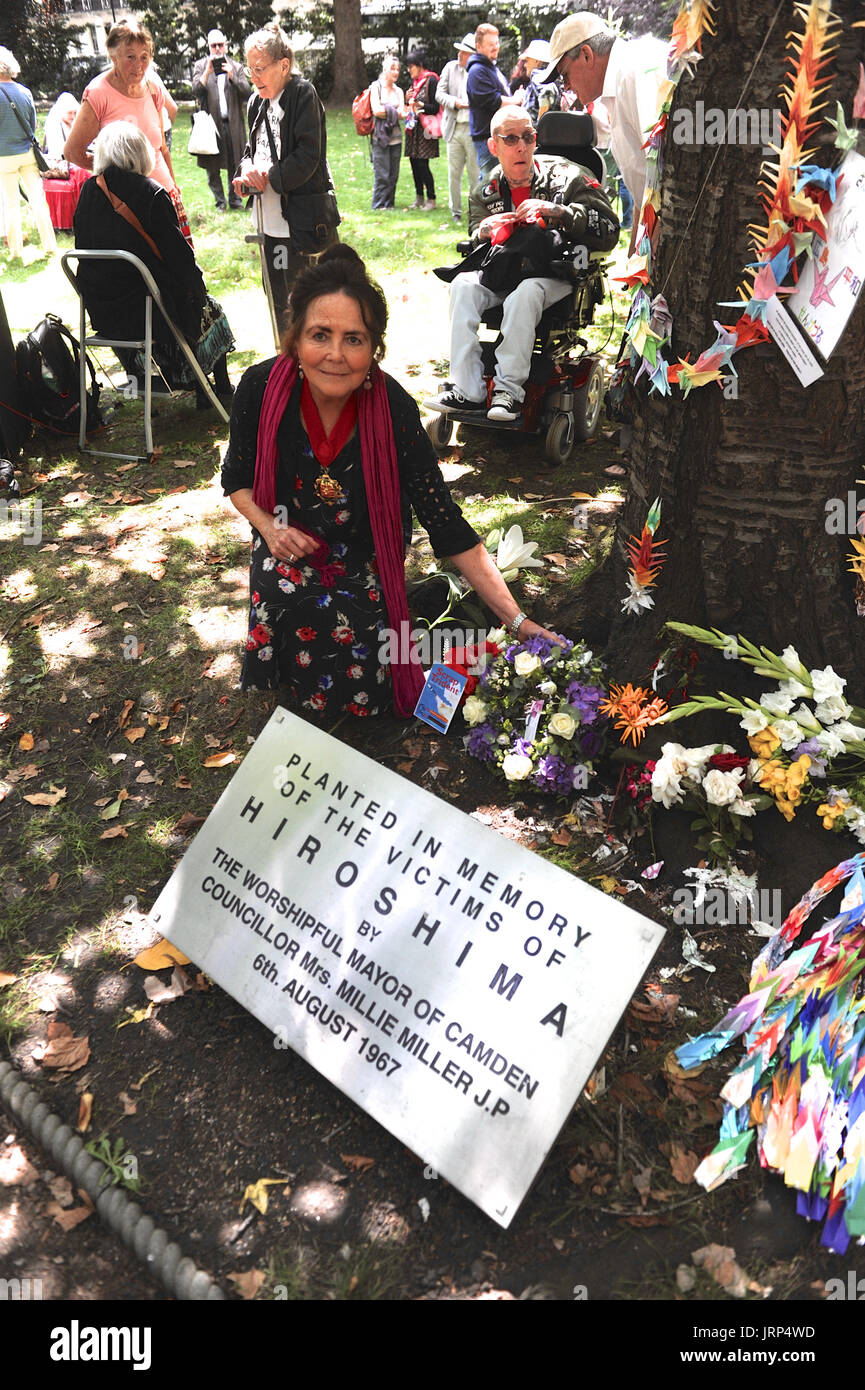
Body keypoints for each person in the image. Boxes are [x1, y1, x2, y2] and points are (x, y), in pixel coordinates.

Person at [221, 244, 562, 716]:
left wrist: (519, 621)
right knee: (290, 602)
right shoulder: (259, 389)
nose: (336, 355)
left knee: (373, 678)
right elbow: (234, 479)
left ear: (374, 347)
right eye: (320, 335)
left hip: (364, 561)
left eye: (354, 339)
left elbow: (444, 522)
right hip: (288, 556)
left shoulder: (394, 412)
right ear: (295, 338)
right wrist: (269, 528)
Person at [425, 106, 619, 422]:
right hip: (504, 270)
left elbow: (610, 231)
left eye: (528, 137)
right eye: (511, 139)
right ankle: (468, 391)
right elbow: (476, 239)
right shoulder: (486, 192)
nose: (521, 147)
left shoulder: (570, 177)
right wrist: (484, 231)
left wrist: (562, 213)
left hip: (556, 271)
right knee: (462, 285)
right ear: (494, 146)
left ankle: (508, 393)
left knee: (526, 293)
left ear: (535, 141)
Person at [73, 121, 234, 406]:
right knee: (210, 307)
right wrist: (197, 287)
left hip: (103, 310)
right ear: (140, 152)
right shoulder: (151, 192)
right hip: (150, 311)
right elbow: (180, 259)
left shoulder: (87, 192)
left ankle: (172, 381)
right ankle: (213, 387)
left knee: (181, 298)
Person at [232, 21, 340, 334]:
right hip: (266, 220)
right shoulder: (255, 102)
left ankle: (310, 365)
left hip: (300, 221)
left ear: (283, 65)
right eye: (249, 69)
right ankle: (288, 366)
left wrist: (267, 174)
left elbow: (309, 157)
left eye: (260, 69)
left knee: (304, 299)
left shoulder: (303, 93)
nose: (254, 77)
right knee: (277, 299)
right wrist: (245, 174)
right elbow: (252, 151)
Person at [537, 12, 667, 253]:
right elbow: (644, 178)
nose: (565, 86)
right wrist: (636, 251)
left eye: (564, 74)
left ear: (586, 55)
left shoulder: (636, 69)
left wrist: (654, 255)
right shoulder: (621, 77)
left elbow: (662, 165)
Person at [63, 20, 190, 240]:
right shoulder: (98, 93)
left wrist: (174, 187)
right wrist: (113, 173)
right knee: (140, 270)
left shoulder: (153, 87)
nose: (139, 64)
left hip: (163, 194)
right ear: (113, 56)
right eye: (130, 56)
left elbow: (161, 147)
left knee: (178, 266)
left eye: (144, 56)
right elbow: (72, 152)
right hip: (126, 205)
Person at [0, 47, 57, 262]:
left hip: (4, 157)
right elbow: (32, 125)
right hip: (27, 153)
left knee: (11, 204)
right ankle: (50, 246)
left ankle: (16, 251)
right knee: (38, 201)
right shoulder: (25, 92)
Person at [192, 28, 250, 212]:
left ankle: (235, 200)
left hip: (233, 124)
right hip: (211, 125)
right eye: (213, 45)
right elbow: (196, 91)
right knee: (212, 165)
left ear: (226, 45)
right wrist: (207, 73)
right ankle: (220, 202)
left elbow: (247, 92)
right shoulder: (201, 66)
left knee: (235, 162)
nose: (217, 48)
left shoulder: (236, 66)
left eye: (220, 45)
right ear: (208, 46)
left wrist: (232, 75)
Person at [466, 24, 523, 182]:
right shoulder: (477, 71)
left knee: (498, 184)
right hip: (487, 139)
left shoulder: (491, 68)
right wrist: (516, 100)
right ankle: (480, 207)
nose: (496, 47)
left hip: (498, 137)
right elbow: (492, 100)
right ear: (479, 46)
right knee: (491, 185)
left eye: (497, 43)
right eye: (491, 44)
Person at [436, 33, 478, 226]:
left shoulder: (478, 72)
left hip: (473, 129)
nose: (461, 55)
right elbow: (439, 93)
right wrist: (454, 102)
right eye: (460, 51)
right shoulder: (450, 68)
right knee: (454, 173)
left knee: (474, 173)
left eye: (465, 52)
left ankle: (475, 211)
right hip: (454, 128)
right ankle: (456, 211)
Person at [403, 50, 439, 211]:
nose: (409, 70)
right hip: (413, 129)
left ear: (420, 65)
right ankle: (419, 197)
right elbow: (409, 105)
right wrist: (407, 99)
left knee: (423, 164)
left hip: (426, 129)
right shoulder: (415, 83)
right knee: (413, 163)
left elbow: (435, 107)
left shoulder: (431, 80)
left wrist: (420, 105)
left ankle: (431, 198)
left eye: (411, 66)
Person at [369, 54, 404, 211]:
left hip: (396, 138)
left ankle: (389, 204)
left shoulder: (399, 91)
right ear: (385, 70)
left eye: (397, 69)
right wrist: (395, 111)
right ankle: (378, 205)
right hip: (380, 137)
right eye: (392, 69)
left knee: (393, 174)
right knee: (382, 174)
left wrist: (389, 111)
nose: (396, 72)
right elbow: (376, 110)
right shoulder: (375, 87)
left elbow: (403, 113)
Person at [519, 40, 562, 124]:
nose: (525, 65)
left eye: (527, 61)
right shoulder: (554, 76)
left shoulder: (538, 74)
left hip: (539, 133)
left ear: (537, 61)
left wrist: (540, 124)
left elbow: (548, 90)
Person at [43, 92, 80, 164]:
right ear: (61, 111)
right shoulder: (54, 124)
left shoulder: (71, 123)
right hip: (59, 164)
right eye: (69, 113)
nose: (73, 116)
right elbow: (58, 153)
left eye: (75, 113)